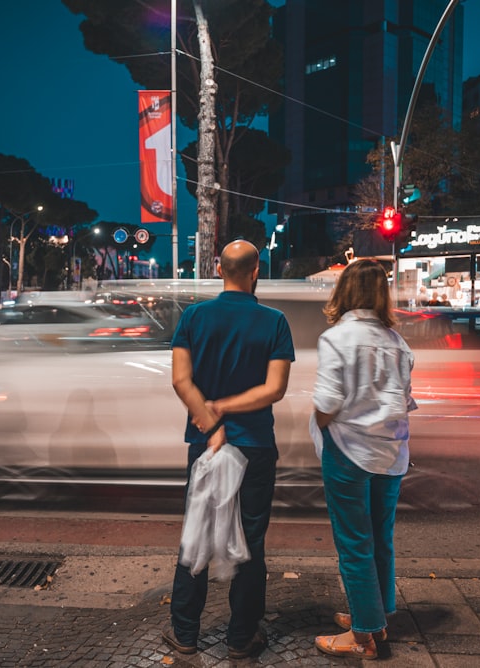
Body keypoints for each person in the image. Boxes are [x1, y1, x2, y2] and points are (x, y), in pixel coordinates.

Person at [162, 239, 295, 659]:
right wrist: (229, 410)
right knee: (251, 542)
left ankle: (184, 635)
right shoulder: (275, 321)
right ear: (256, 271)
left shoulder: (194, 317)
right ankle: (241, 638)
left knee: (196, 536)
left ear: (218, 269)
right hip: (254, 444)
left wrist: (211, 419)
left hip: (206, 446)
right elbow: (275, 389)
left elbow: (181, 381)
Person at [309, 259, 417, 660]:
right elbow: (405, 399)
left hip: (350, 450)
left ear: (345, 292)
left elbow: (327, 402)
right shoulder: (397, 342)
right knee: (379, 539)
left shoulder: (336, 338)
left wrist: (319, 425)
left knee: (354, 544)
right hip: (391, 452)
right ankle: (376, 615)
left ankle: (363, 635)